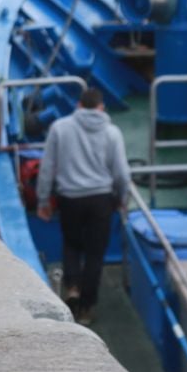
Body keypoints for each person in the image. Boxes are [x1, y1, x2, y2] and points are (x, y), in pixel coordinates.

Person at [36, 88, 130, 326]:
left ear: (78, 105)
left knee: (71, 245)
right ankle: (87, 307)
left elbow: (47, 168)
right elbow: (121, 173)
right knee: (95, 253)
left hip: (69, 198)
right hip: (101, 199)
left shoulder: (59, 128)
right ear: (101, 107)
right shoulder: (112, 133)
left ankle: (73, 289)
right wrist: (123, 198)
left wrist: (43, 200)